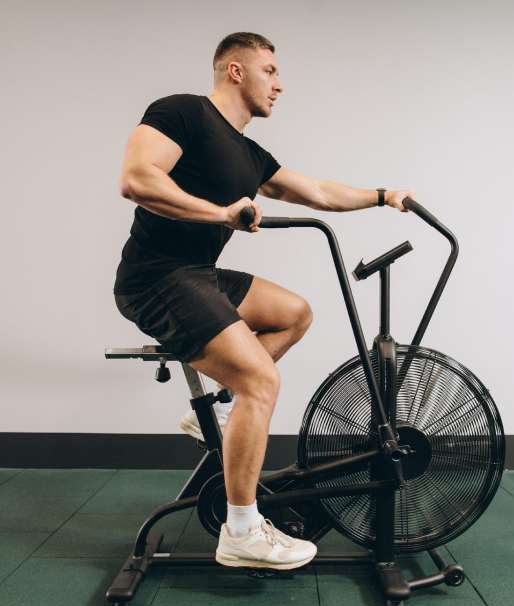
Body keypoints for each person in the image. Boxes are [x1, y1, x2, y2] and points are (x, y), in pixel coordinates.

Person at [113, 31, 415, 571]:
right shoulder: (182, 112)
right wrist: (221, 213)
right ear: (236, 70)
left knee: (294, 313)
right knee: (262, 380)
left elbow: (318, 193)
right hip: (155, 278)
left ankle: (222, 408)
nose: (279, 84)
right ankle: (241, 531)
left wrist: (383, 196)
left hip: (198, 275)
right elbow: (136, 179)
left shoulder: (248, 153)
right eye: (270, 71)